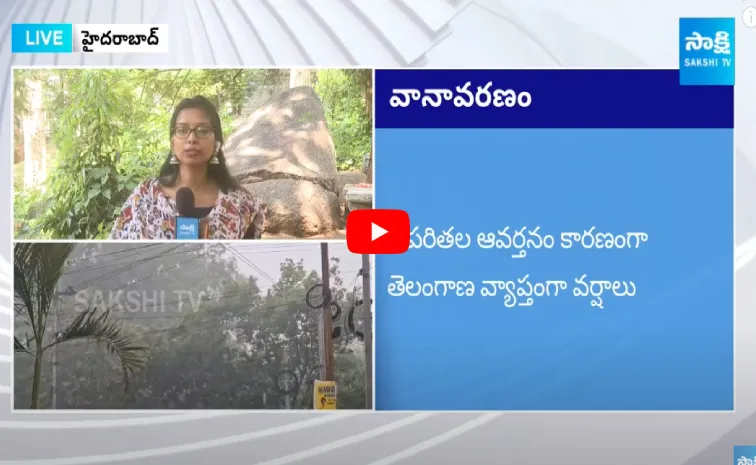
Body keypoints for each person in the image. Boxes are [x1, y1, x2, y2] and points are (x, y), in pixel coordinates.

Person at [109, 96, 265, 240]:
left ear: (217, 142)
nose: (192, 139)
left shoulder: (241, 205)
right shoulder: (144, 197)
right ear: (172, 143)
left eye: (203, 131)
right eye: (182, 130)